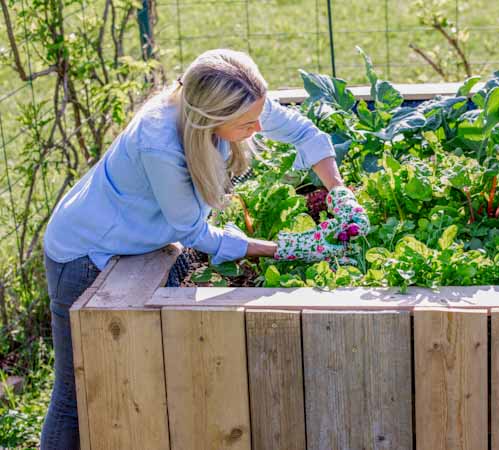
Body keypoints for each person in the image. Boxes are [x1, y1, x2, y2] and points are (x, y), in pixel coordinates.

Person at [40, 48, 368, 449]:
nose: (257, 127)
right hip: (85, 254)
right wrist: (284, 248)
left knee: (134, 382)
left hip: (135, 243)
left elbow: (304, 133)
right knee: (78, 391)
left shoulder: (243, 102)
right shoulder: (159, 143)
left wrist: (340, 193)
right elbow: (194, 233)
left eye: (259, 115)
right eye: (247, 124)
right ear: (211, 119)